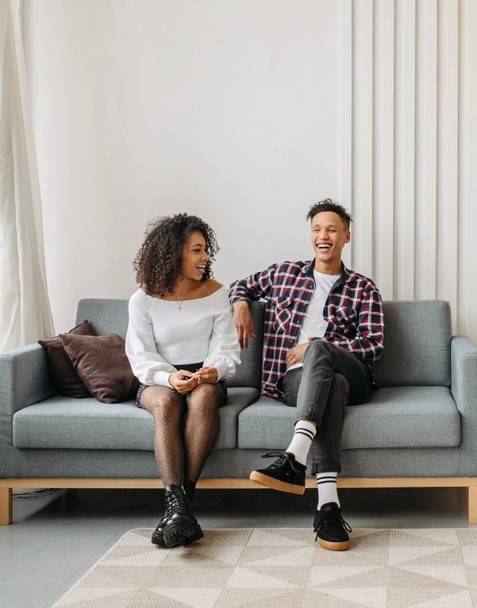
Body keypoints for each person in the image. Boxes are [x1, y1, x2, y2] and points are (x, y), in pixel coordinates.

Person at [229, 199, 384, 551]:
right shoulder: (284, 273)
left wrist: (318, 344)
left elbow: (373, 346)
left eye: (331, 229)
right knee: (334, 386)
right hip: (295, 381)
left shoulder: (363, 288)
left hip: (355, 372)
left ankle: (295, 455)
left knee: (324, 355)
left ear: (346, 236)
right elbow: (241, 285)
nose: (322, 235)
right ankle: (328, 506)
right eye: (316, 229)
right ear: (310, 236)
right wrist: (240, 304)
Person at [126, 213, 240, 548]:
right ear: (174, 252)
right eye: (197, 250)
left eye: (206, 250)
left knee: (204, 397)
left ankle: (178, 507)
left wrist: (213, 370)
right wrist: (168, 377)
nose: (205, 258)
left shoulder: (218, 293)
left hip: (204, 375)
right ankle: (180, 507)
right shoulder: (142, 299)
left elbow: (226, 348)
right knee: (166, 402)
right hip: (159, 378)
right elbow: (140, 356)